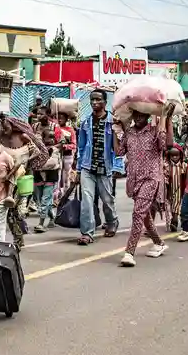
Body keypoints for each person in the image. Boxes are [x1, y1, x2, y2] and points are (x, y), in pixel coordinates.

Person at [114, 105, 175, 267]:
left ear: (148, 115)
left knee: (138, 213)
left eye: (142, 114)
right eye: (136, 114)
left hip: (150, 178)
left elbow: (167, 145)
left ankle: (129, 252)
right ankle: (159, 243)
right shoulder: (129, 133)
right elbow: (119, 152)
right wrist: (115, 130)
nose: (139, 117)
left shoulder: (155, 131)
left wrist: (166, 119)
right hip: (134, 180)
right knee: (144, 214)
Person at [74, 89, 119, 246]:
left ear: (105, 102)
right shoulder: (86, 122)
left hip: (105, 167)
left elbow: (118, 148)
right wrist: (78, 169)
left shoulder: (113, 122)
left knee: (107, 200)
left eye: (98, 99)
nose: (94, 102)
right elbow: (80, 147)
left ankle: (112, 221)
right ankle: (87, 233)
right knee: (86, 200)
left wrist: (118, 167)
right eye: (92, 99)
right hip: (87, 167)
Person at [0, 114, 48, 249]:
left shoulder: (23, 137)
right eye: (1, 126)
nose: (3, 129)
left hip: (19, 179)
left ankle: (17, 239)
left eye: (5, 126)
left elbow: (37, 152)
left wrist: (25, 162)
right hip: (1, 179)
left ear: (12, 124)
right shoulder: (0, 137)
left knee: (11, 211)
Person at [33, 129, 61, 233]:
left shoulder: (55, 150)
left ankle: (41, 224)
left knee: (45, 200)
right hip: (39, 178)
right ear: (43, 138)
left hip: (50, 178)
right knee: (41, 200)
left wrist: (38, 166)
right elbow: (33, 162)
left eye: (53, 137)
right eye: (49, 137)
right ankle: (52, 217)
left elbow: (53, 163)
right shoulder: (37, 149)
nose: (52, 140)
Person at [56, 112, 77, 203]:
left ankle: (66, 196)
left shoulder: (70, 130)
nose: (60, 120)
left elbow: (74, 145)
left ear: (66, 120)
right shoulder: (54, 128)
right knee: (57, 178)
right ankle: (56, 197)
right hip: (56, 156)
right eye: (58, 118)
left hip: (67, 156)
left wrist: (65, 146)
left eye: (62, 118)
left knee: (66, 177)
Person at [164, 145, 185, 232]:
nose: (175, 157)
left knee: (176, 205)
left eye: (177, 155)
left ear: (180, 155)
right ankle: (172, 219)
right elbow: (164, 176)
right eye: (172, 155)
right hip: (169, 189)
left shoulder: (183, 165)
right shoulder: (166, 165)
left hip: (179, 189)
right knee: (170, 206)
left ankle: (175, 221)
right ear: (169, 156)